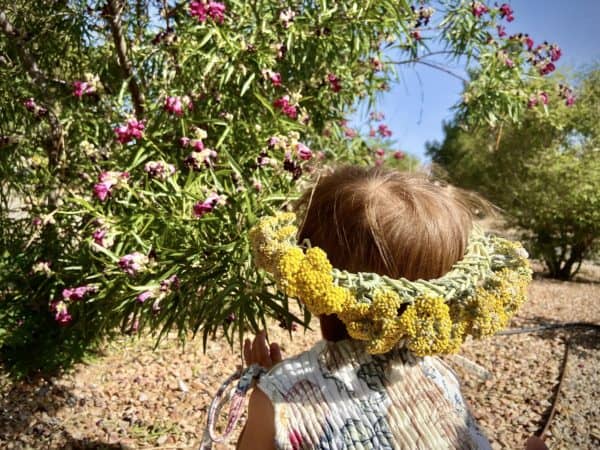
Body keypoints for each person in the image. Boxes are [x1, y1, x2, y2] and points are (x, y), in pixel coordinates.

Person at [235, 166, 531, 450]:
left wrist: (276, 383)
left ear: (311, 281)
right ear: (444, 299)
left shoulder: (277, 402)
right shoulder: (439, 376)